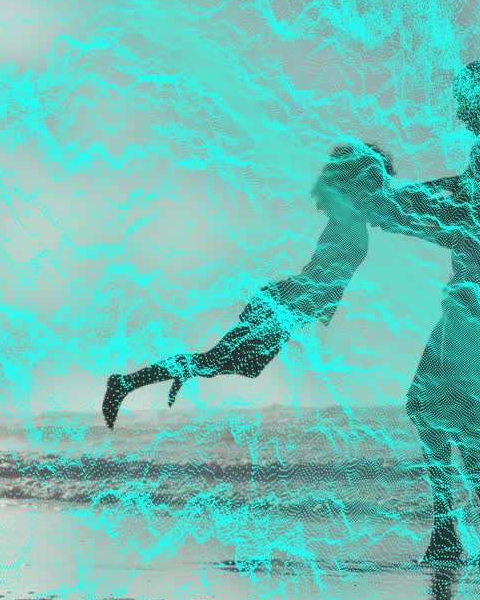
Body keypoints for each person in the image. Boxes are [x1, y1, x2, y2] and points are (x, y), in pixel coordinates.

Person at [316, 60, 480, 570]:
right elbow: (459, 206)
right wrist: (394, 205)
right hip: (478, 298)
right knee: (428, 406)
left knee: (451, 414)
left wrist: (389, 204)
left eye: (464, 100)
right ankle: (452, 533)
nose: (458, 112)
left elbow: (460, 210)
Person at [99, 143, 394, 429]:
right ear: (359, 184)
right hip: (283, 305)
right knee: (221, 362)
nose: (382, 191)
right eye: (376, 183)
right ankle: (128, 383)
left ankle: (177, 370)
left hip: (289, 307)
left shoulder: (352, 220)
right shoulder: (346, 219)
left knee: (236, 366)